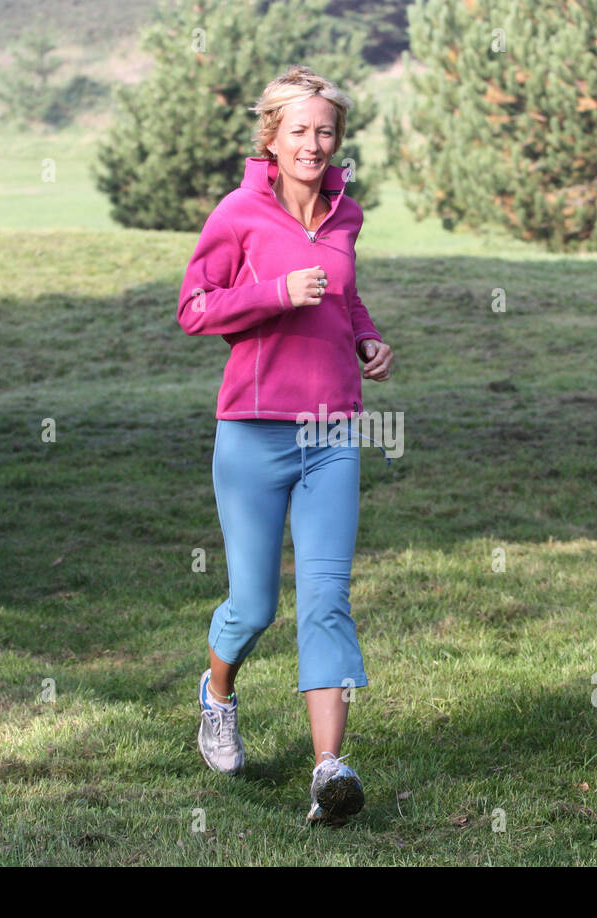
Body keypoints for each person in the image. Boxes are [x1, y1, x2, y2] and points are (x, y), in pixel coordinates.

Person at [175, 65, 394, 825]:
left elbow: (344, 292)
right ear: (271, 135)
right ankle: (219, 695)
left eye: (326, 130)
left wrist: (365, 336)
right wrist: (272, 294)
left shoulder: (346, 214)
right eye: (299, 130)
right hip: (253, 434)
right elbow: (194, 308)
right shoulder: (237, 213)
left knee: (328, 600)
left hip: (332, 432)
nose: (314, 143)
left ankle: (329, 770)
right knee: (255, 605)